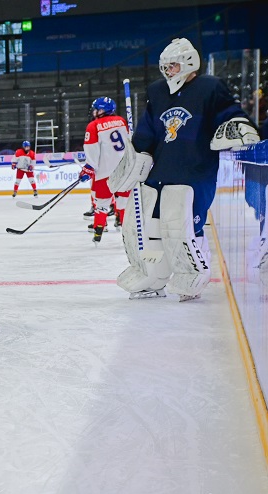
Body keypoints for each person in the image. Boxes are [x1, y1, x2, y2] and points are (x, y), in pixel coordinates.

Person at [109, 37, 260, 301]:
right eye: (165, 67)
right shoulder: (157, 91)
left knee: (179, 226)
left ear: (190, 63)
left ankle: (191, 274)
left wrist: (237, 125)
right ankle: (150, 274)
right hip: (160, 171)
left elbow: (230, 113)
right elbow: (147, 131)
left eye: (173, 66)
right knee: (138, 225)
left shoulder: (210, 87)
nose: (168, 72)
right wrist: (136, 155)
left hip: (195, 171)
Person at [81, 96, 131, 243]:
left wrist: (89, 167)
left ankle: (98, 232)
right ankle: (128, 234)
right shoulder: (122, 121)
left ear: (103, 110)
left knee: (102, 204)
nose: (95, 112)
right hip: (124, 170)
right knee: (123, 204)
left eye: (97, 109)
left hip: (105, 173)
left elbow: (92, 150)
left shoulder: (93, 125)